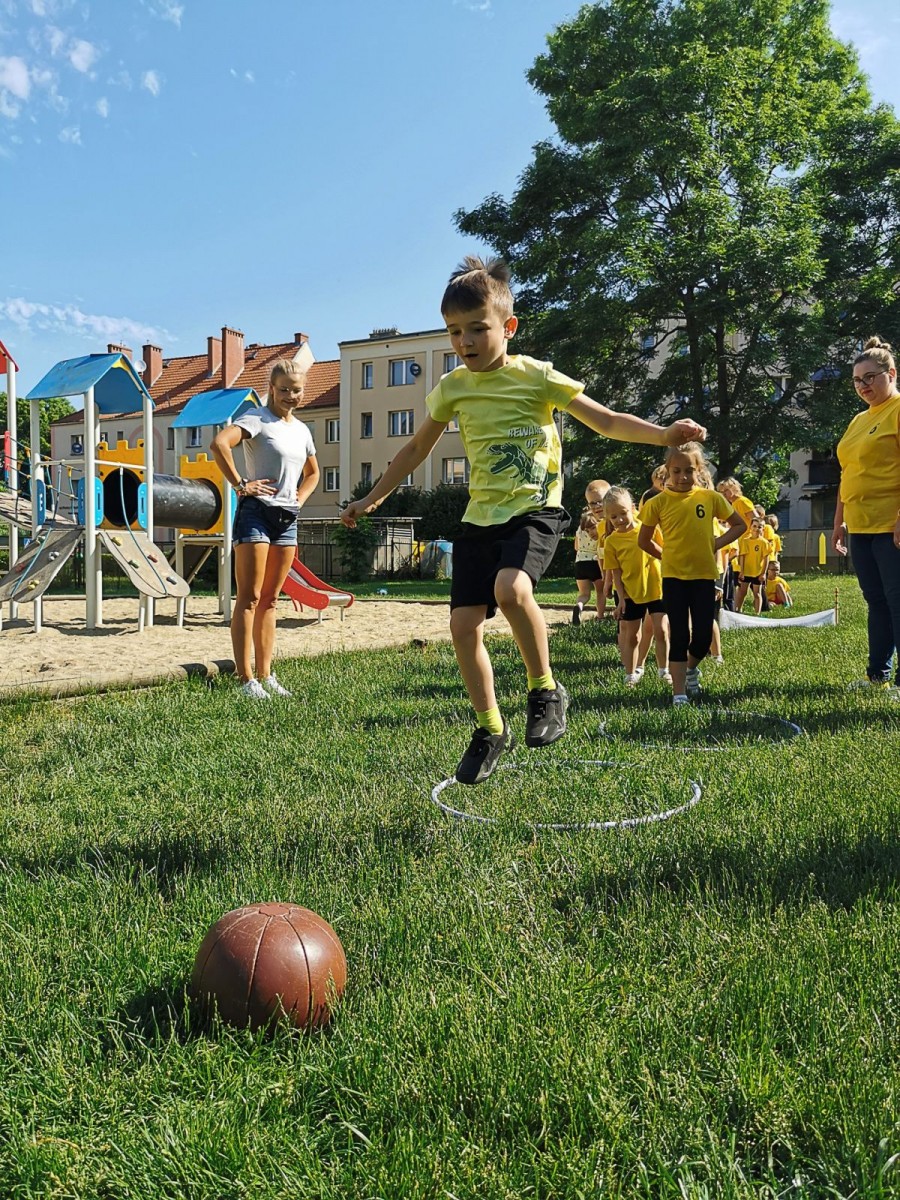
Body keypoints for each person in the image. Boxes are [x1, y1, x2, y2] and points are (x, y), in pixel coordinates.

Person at [341, 255, 706, 783]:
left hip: (535, 510)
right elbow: (416, 448)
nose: (464, 341)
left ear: (508, 326)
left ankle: (545, 691)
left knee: (512, 590)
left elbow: (605, 421)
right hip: (479, 518)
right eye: (454, 332)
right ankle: (491, 728)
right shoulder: (453, 387)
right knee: (462, 626)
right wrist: (373, 497)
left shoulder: (536, 376)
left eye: (477, 329)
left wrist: (663, 435)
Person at [210, 359, 320, 699]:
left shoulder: (302, 430)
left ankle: (266, 674)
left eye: (296, 390)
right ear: (271, 389)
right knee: (250, 597)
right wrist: (240, 484)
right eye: (284, 389)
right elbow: (219, 444)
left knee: (271, 600)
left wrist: (300, 498)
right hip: (255, 513)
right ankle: (245, 679)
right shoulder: (256, 419)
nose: (290, 396)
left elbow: (314, 473)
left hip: (287, 518)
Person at [638, 442, 746, 705]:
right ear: (667, 470)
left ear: (699, 470)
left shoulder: (710, 498)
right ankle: (679, 693)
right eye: (676, 471)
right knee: (679, 634)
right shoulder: (658, 502)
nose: (683, 477)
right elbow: (644, 540)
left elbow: (739, 525)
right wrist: (666, 556)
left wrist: (715, 544)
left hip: (704, 576)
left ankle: (689, 669)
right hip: (674, 578)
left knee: (703, 636)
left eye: (689, 470)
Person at [832, 335, 900, 696]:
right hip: (859, 526)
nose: (863, 386)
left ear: (892, 373)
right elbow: (847, 473)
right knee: (876, 601)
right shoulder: (858, 420)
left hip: (891, 525)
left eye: (870, 377)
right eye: (857, 380)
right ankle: (877, 674)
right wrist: (838, 521)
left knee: (897, 600)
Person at [603, 486, 671, 686]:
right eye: (613, 517)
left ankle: (664, 670)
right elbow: (616, 572)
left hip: (656, 588)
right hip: (631, 593)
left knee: (662, 631)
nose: (619, 520)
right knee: (632, 636)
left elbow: (665, 553)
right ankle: (630, 674)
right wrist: (621, 599)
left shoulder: (648, 529)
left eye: (623, 513)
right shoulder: (611, 542)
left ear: (633, 508)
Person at [571, 479, 609, 624]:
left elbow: (576, 546)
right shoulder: (598, 526)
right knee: (600, 592)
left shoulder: (580, 529)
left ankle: (579, 606)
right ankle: (600, 616)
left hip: (580, 563)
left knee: (584, 594)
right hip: (595, 562)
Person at [735, 516, 771, 614]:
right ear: (750, 527)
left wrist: (763, 573)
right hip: (746, 571)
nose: (756, 529)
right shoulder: (745, 541)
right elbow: (742, 556)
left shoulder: (764, 542)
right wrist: (742, 571)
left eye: (759, 527)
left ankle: (757, 613)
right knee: (742, 592)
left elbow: (766, 558)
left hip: (757, 572)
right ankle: (738, 610)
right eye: (754, 526)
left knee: (757, 593)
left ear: (763, 529)